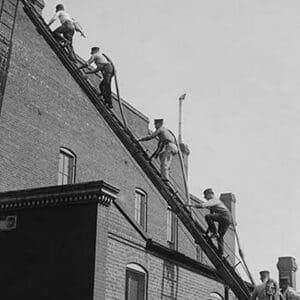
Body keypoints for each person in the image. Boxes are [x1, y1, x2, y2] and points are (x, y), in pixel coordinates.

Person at [186, 188, 233, 256]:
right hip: (228, 219)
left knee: (208, 216)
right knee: (220, 236)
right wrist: (206, 233)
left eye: (206, 196)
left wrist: (191, 205)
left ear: (210, 195)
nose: (206, 198)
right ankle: (221, 253)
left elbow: (202, 205)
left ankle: (214, 233)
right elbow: (210, 223)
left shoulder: (214, 200)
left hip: (224, 215)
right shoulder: (214, 205)